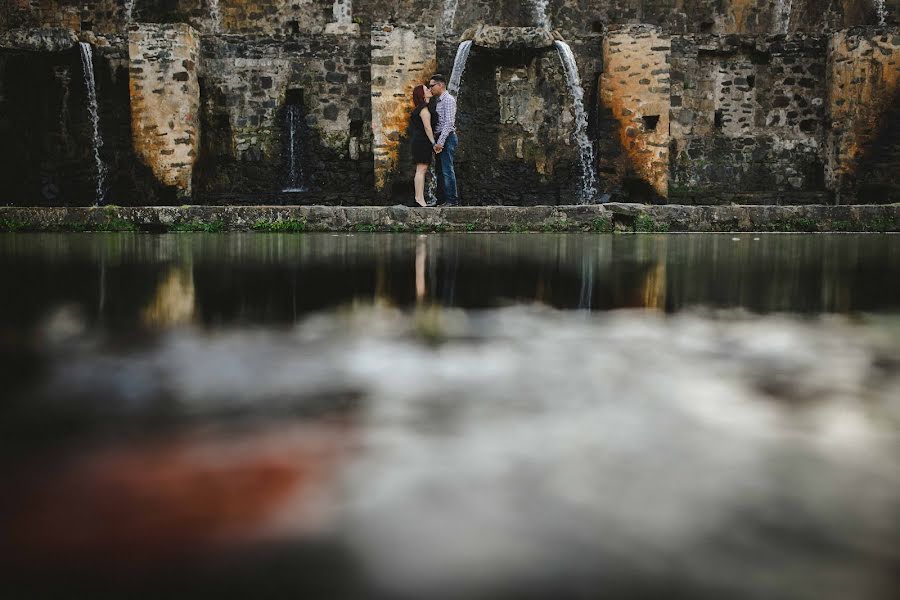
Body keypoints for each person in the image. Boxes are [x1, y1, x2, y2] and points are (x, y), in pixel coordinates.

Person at [429, 74, 459, 207]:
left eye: (432, 85)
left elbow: (449, 124)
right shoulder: (439, 100)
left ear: (440, 85)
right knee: (440, 171)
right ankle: (442, 200)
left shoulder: (448, 100)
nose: (430, 88)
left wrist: (440, 142)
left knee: (447, 170)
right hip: (441, 138)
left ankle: (452, 201)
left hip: (447, 138)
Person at [409, 84, 437, 207]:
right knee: (421, 170)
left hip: (419, 141)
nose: (430, 90)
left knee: (421, 170)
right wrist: (433, 143)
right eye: (426, 89)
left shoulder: (420, 108)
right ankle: (419, 199)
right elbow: (427, 127)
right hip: (422, 141)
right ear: (422, 95)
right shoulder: (424, 109)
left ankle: (419, 199)